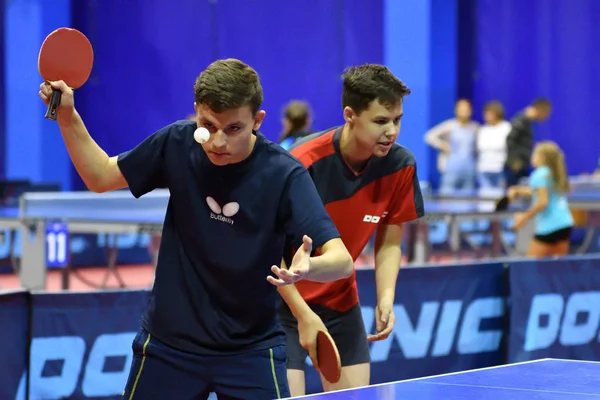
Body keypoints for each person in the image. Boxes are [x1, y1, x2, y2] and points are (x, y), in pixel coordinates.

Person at [38, 58, 354, 400]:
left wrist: (309, 268)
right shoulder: (177, 142)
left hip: (250, 350)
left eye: (233, 128)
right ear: (196, 113)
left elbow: (341, 260)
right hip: (168, 346)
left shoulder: (284, 174)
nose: (218, 142)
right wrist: (68, 115)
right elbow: (100, 175)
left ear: (257, 121)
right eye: (208, 126)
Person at [276, 64, 425, 396]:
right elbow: (269, 252)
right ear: (350, 115)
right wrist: (302, 314)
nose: (392, 131)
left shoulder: (401, 166)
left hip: (340, 300)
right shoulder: (302, 163)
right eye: (380, 121)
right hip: (283, 303)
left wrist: (386, 298)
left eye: (397, 120)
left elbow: (389, 240)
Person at [509, 141, 573, 257]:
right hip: (565, 223)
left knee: (530, 267)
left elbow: (543, 202)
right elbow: (540, 192)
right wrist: (519, 190)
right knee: (559, 268)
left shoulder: (538, 174)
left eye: (534, 154)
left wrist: (524, 218)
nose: (532, 157)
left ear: (542, 157)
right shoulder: (553, 172)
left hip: (549, 226)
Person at [425, 99, 480, 193]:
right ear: (456, 110)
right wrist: (443, 145)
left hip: (469, 169)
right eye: (461, 109)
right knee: (447, 196)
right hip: (451, 169)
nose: (464, 111)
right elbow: (429, 136)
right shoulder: (449, 125)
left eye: (466, 109)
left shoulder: (475, 127)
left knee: (467, 198)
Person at [504, 98, 552, 187]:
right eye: (546, 114)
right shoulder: (522, 120)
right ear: (541, 110)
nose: (546, 117)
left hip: (521, 164)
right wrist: (514, 160)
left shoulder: (527, 121)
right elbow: (510, 139)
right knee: (512, 194)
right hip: (515, 166)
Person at [476, 101, 512, 189]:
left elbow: (505, 146)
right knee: (485, 196)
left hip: (500, 169)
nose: (487, 116)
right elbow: (480, 148)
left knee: (499, 197)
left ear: (497, 113)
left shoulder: (506, 127)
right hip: (484, 169)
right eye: (485, 114)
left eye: (489, 113)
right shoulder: (483, 130)